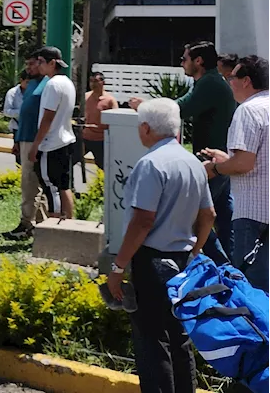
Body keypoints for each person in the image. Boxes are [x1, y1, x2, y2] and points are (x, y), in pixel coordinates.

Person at [109, 97, 214, 393]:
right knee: (179, 336)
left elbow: (143, 221)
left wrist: (118, 267)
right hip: (183, 262)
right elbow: (209, 214)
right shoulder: (193, 162)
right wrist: (195, 250)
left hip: (153, 262)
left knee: (152, 341)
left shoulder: (150, 164)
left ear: (145, 128)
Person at [131, 41, 237, 261]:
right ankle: (234, 267)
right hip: (217, 159)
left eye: (184, 59)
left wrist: (147, 107)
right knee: (224, 219)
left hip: (210, 162)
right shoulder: (210, 82)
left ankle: (222, 265)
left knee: (198, 218)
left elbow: (177, 110)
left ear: (198, 61)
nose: (182, 63)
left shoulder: (210, 83)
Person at [202, 55, 270, 291]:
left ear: (246, 81)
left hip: (254, 216)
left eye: (231, 77)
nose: (228, 82)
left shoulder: (248, 111)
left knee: (253, 293)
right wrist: (228, 159)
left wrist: (216, 168)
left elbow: (244, 163)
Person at [30, 46, 78, 219]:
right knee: (64, 186)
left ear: (52, 63)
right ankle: (68, 225)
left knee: (51, 187)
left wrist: (36, 145)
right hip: (66, 140)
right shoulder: (67, 83)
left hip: (51, 144)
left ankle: (54, 227)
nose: (39, 65)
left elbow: (48, 118)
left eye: (41, 62)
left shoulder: (52, 84)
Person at [7, 55, 49, 239]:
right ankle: (39, 223)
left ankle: (27, 224)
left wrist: (37, 142)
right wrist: (17, 140)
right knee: (32, 183)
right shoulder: (32, 83)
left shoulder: (48, 84)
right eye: (27, 63)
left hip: (36, 139)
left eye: (32, 63)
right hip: (24, 138)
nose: (29, 67)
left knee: (31, 183)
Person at [83, 71, 118, 170]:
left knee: (103, 166)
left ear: (103, 82)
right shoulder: (85, 97)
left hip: (101, 140)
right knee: (72, 160)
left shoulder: (110, 100)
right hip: (85, 138)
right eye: (91, 81)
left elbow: (115, 121)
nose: (93, 84)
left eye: (96, 81)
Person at [2, 72, 28, 141]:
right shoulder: (12, 93)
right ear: (21, 80)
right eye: (27, 82)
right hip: (17, 127)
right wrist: (23, 112)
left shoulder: (33, 92)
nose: (29, 85)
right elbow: (6, 111)